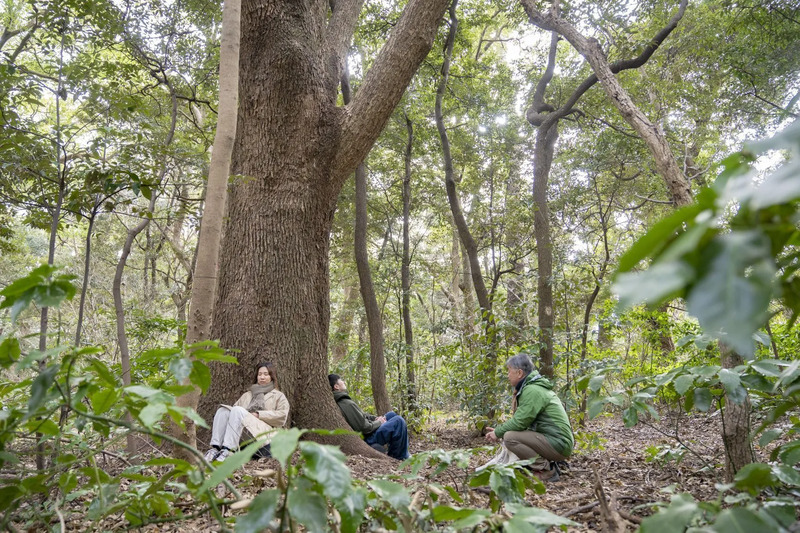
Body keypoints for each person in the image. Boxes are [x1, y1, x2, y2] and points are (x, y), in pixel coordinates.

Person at [485, 354, 573, 481]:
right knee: (511, 434)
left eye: (509, 371)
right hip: (556, 441)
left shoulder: (532, 390)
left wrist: (498, 432)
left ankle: (546, 469)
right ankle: (542, 464)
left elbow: (520, 422)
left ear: (519, 373)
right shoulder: (532, 388)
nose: (508, 375)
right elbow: (523, 422)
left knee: (510, 437)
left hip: (559, 443)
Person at [204, 362, 290, 462]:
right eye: (260, 374)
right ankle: (215, 448)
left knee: (237, 410)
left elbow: (282, 416)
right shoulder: (247, 395)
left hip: (263, 432)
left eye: (266, 374)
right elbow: (233, 414)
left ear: (272, 376)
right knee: (223, 410)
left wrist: (259, 415)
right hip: (244, 432)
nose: (262, 377)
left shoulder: (278, 395)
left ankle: (228, 450)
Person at [328, 374, 410, 460]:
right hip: (367, 438)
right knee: (398, 421)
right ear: (336, 386)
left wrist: (375, 418)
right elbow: (364, 427)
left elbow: (362, 415)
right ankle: (400, 456)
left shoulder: (344, 400)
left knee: (391, 415)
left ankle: (396, 451)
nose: (344, 382)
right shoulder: (345, 403)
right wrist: (379, 422)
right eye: (341, 380)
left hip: (368, 431)